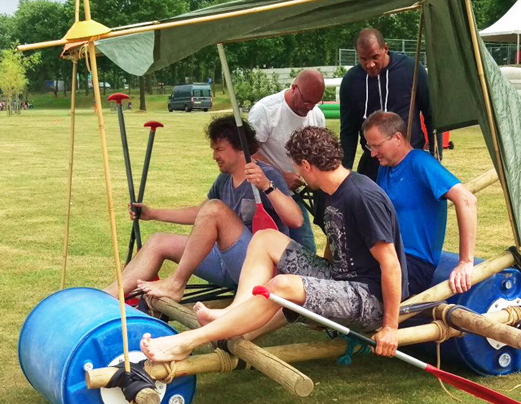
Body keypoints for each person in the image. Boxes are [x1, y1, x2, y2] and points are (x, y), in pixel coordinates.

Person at [140, 126, 409, 363]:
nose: (294, 173)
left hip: (371, 298)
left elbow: (391, 265)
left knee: (283, 284)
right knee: (265, 237)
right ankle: (234, 311)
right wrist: (321, 285)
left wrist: (390, 326)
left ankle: (186, 342)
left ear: (306, 165)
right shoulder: (327, 193)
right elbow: (335, 240)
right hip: (340, 280)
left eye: (294, 166)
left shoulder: (362, 196)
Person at [103, 115, 302, 302]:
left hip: (258, 268)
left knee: (214, 208)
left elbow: (296, 220)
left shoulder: (266, 175)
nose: (214, 155)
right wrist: (153, 213)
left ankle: (176, 283)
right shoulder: (224, 179)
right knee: (158, 241)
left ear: (240, 148)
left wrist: (266, 186)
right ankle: (107, 297)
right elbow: (200, 213)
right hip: (225, 263)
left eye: (219, 149)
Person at [362, 110, 477, 295]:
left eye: (377, 146)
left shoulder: (420, 162)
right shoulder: (385, 168)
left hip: (413, 264)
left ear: (397, 138)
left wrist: (465, 262)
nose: (373, 153)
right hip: (389, 255)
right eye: (370, 147)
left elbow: (467, 200)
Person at [340, 28, 436, 182]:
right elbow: (348, 131)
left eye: (375, 57)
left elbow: (432, 114)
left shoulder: (412, 69)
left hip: (410, 160)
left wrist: (435, 156)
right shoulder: (351, 81)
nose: (370, 64)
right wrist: (343, 172)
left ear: (385, 48)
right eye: (363, 59)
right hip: (372, 164)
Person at [248, 69, 326, 252]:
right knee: (269, 251)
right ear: (294, 88)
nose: (309, 108)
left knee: (306, 251)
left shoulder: (317, 115)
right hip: (263, 195)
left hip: (295, 194)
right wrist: (280, 176)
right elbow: (248, 153)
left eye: (314, 103)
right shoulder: (266, 111)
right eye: (306, 101)